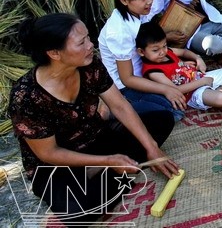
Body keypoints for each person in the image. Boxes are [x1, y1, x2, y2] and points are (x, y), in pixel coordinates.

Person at [9, 13, 179, 225]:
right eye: (81, 42)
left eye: (88, 38)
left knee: (162, 120)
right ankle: (115, 169)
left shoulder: (89, 65)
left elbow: (120, 105)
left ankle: (110, 172)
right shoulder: (26, 97)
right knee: (79, 214)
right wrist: (107, 161)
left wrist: (152, 147)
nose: (91, 45)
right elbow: (49, 153)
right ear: (54, 53)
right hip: (57, 164)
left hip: (96, 139)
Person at [99, 0, 186, 121]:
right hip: (125, 85)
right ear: (124, 0)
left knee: (178, 98)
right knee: (173, 112)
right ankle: (112, 108)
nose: (150, 1)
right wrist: (165, 89)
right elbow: (127, 79)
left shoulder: (139, 12)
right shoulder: (119, 32)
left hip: (146, 68)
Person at [136, 22, 222, 114]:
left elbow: (184, 52)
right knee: (221, 98)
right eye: (155, 50)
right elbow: (176, 90)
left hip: (199, 76)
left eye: (164, 46)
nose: (162, 52)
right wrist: (203, 82)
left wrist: (198, 59)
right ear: (141, 52)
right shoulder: (153, 71)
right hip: (192, 92)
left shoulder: (166, 52)